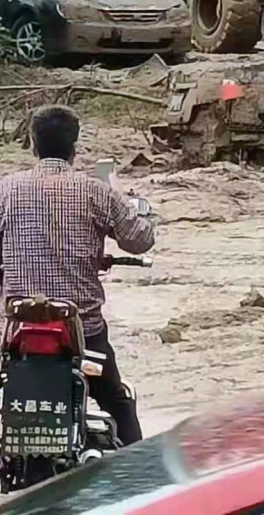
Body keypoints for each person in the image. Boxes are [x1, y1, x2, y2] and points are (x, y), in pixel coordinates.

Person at [0, 106, 154, 446]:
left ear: (32, 144)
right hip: (81, 329)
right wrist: (136, 207)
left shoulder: (6, 190)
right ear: (75, 145)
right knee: (117, 404)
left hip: (19, 329)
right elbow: (140, 240)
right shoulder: (97, 191)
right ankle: (146, 483)